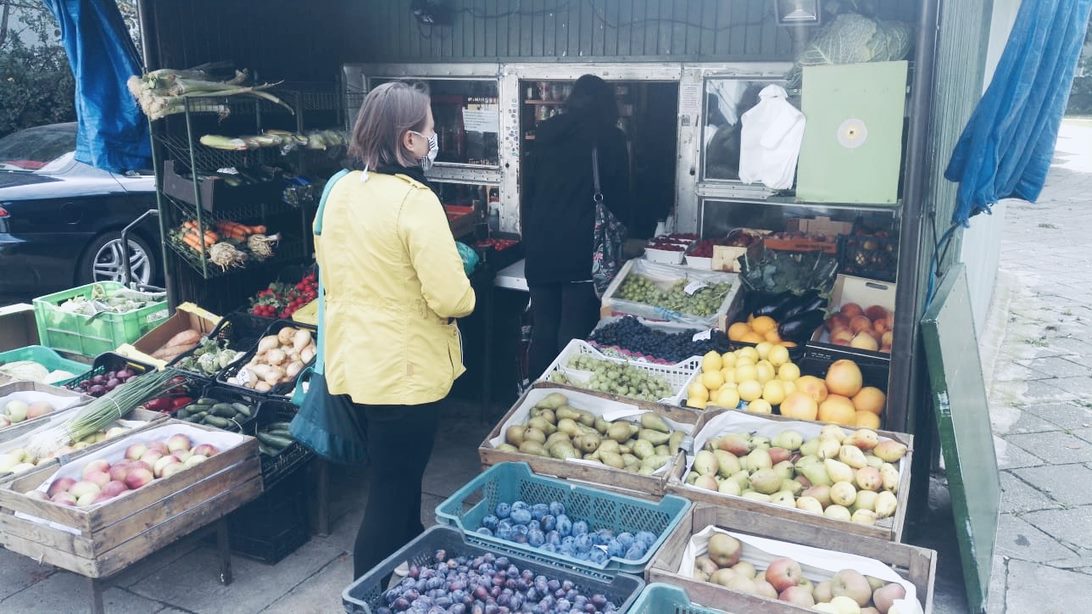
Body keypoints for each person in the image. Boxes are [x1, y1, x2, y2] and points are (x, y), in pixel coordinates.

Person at [315, 81, 476, 579]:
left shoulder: (339, 188)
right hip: (405, 374)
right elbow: (451, 297)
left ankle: (410, 579)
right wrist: (466, 284)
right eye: (430, 129)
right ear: (409, 140)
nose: (434, 137)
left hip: (357, 365)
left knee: (400, 483)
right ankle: (368, 593)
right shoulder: (414, 200)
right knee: (390, 491)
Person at [522, 74, 631, 378]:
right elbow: (621, 200)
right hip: (582, 250)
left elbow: (528, 191)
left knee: (542, 330)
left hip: (541, 247)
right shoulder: (610, 139)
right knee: (573, 331)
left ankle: (535, 398)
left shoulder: (545, 133)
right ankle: (567, 399)